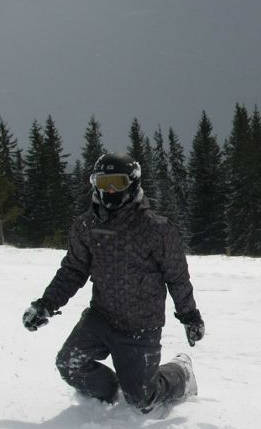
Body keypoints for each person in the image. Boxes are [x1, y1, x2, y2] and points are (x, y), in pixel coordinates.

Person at [22, 151, 205, 413]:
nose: (108, 190)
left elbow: (177, 277)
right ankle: (111, 392)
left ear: (133, 183)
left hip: (141, 325)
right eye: (101, 182)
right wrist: (45, 305)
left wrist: (190, 316)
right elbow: (73, 270)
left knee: (143, 399)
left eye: (116, 183)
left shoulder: (158, 229)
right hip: (101, 317)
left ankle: (182, 374)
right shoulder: (85, 226)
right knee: (69, 364)